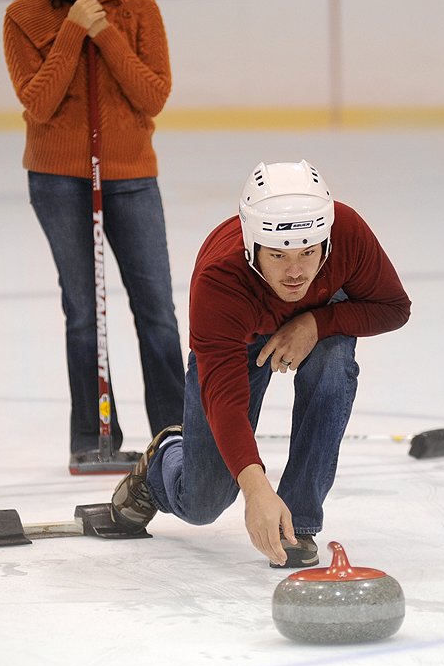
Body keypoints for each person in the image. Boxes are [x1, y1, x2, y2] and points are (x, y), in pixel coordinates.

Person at [103, 160, 412, 567]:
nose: (296, 272)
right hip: (239, 338)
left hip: (316, 325)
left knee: (333, 360)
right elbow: (224, 398)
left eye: (308, 252)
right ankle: (166, 456)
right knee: (202, 505)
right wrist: (256, 489)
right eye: (279, 256)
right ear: (252, 247)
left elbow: (394, 308)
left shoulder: (348, 232)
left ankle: (298, 522)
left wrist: (317, 322)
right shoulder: (219, 280)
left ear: (327, 242)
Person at [3, 0, 185, 472]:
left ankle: (177, 432)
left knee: (157, 310)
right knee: (83, 311)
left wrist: (104, 34)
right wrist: (71, 33)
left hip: (130, 176)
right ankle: (91, 434)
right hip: (58, 179)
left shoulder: (140, 8)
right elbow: (39, 103)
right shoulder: (24, 15)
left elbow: (153, 95)